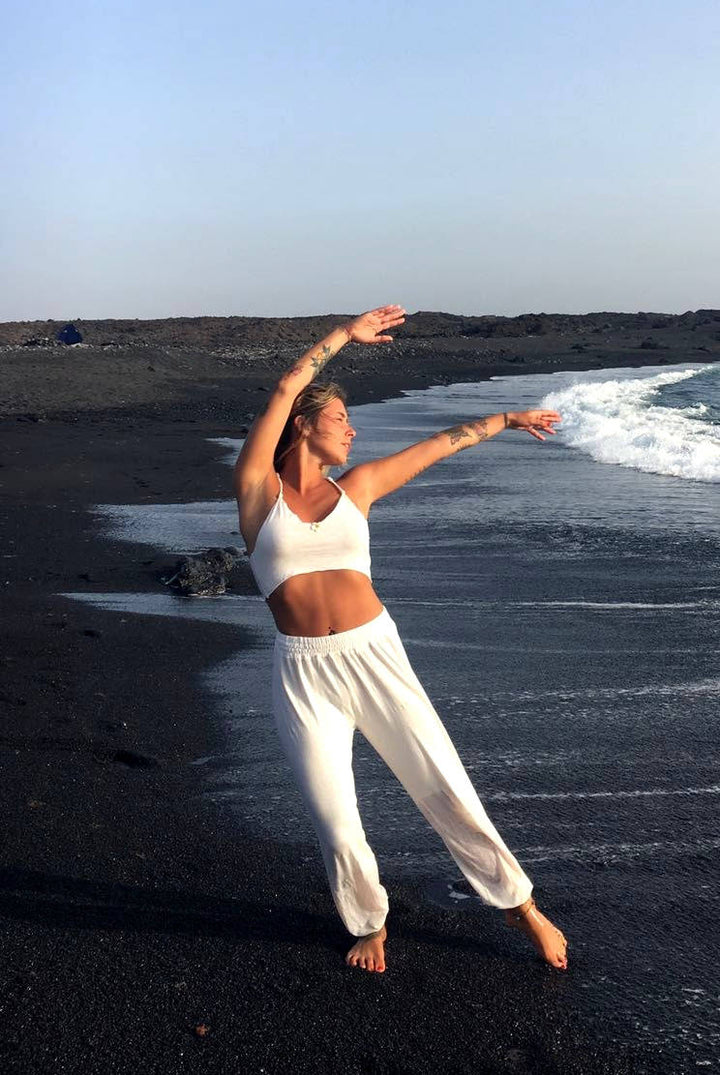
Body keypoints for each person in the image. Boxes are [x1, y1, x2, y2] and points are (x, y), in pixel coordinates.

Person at [234, 305, 567, 974]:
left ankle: (521, 905)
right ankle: (369, 922)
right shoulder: (257, 493)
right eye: (340, 418)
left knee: (442, 783)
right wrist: (345, 336)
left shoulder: (357, 488)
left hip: (374, 654)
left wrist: (506, 419)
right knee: (334, 817)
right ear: (303, 424)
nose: (352, 430)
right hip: (304, 672)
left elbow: (440, 445)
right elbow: (286, 385)